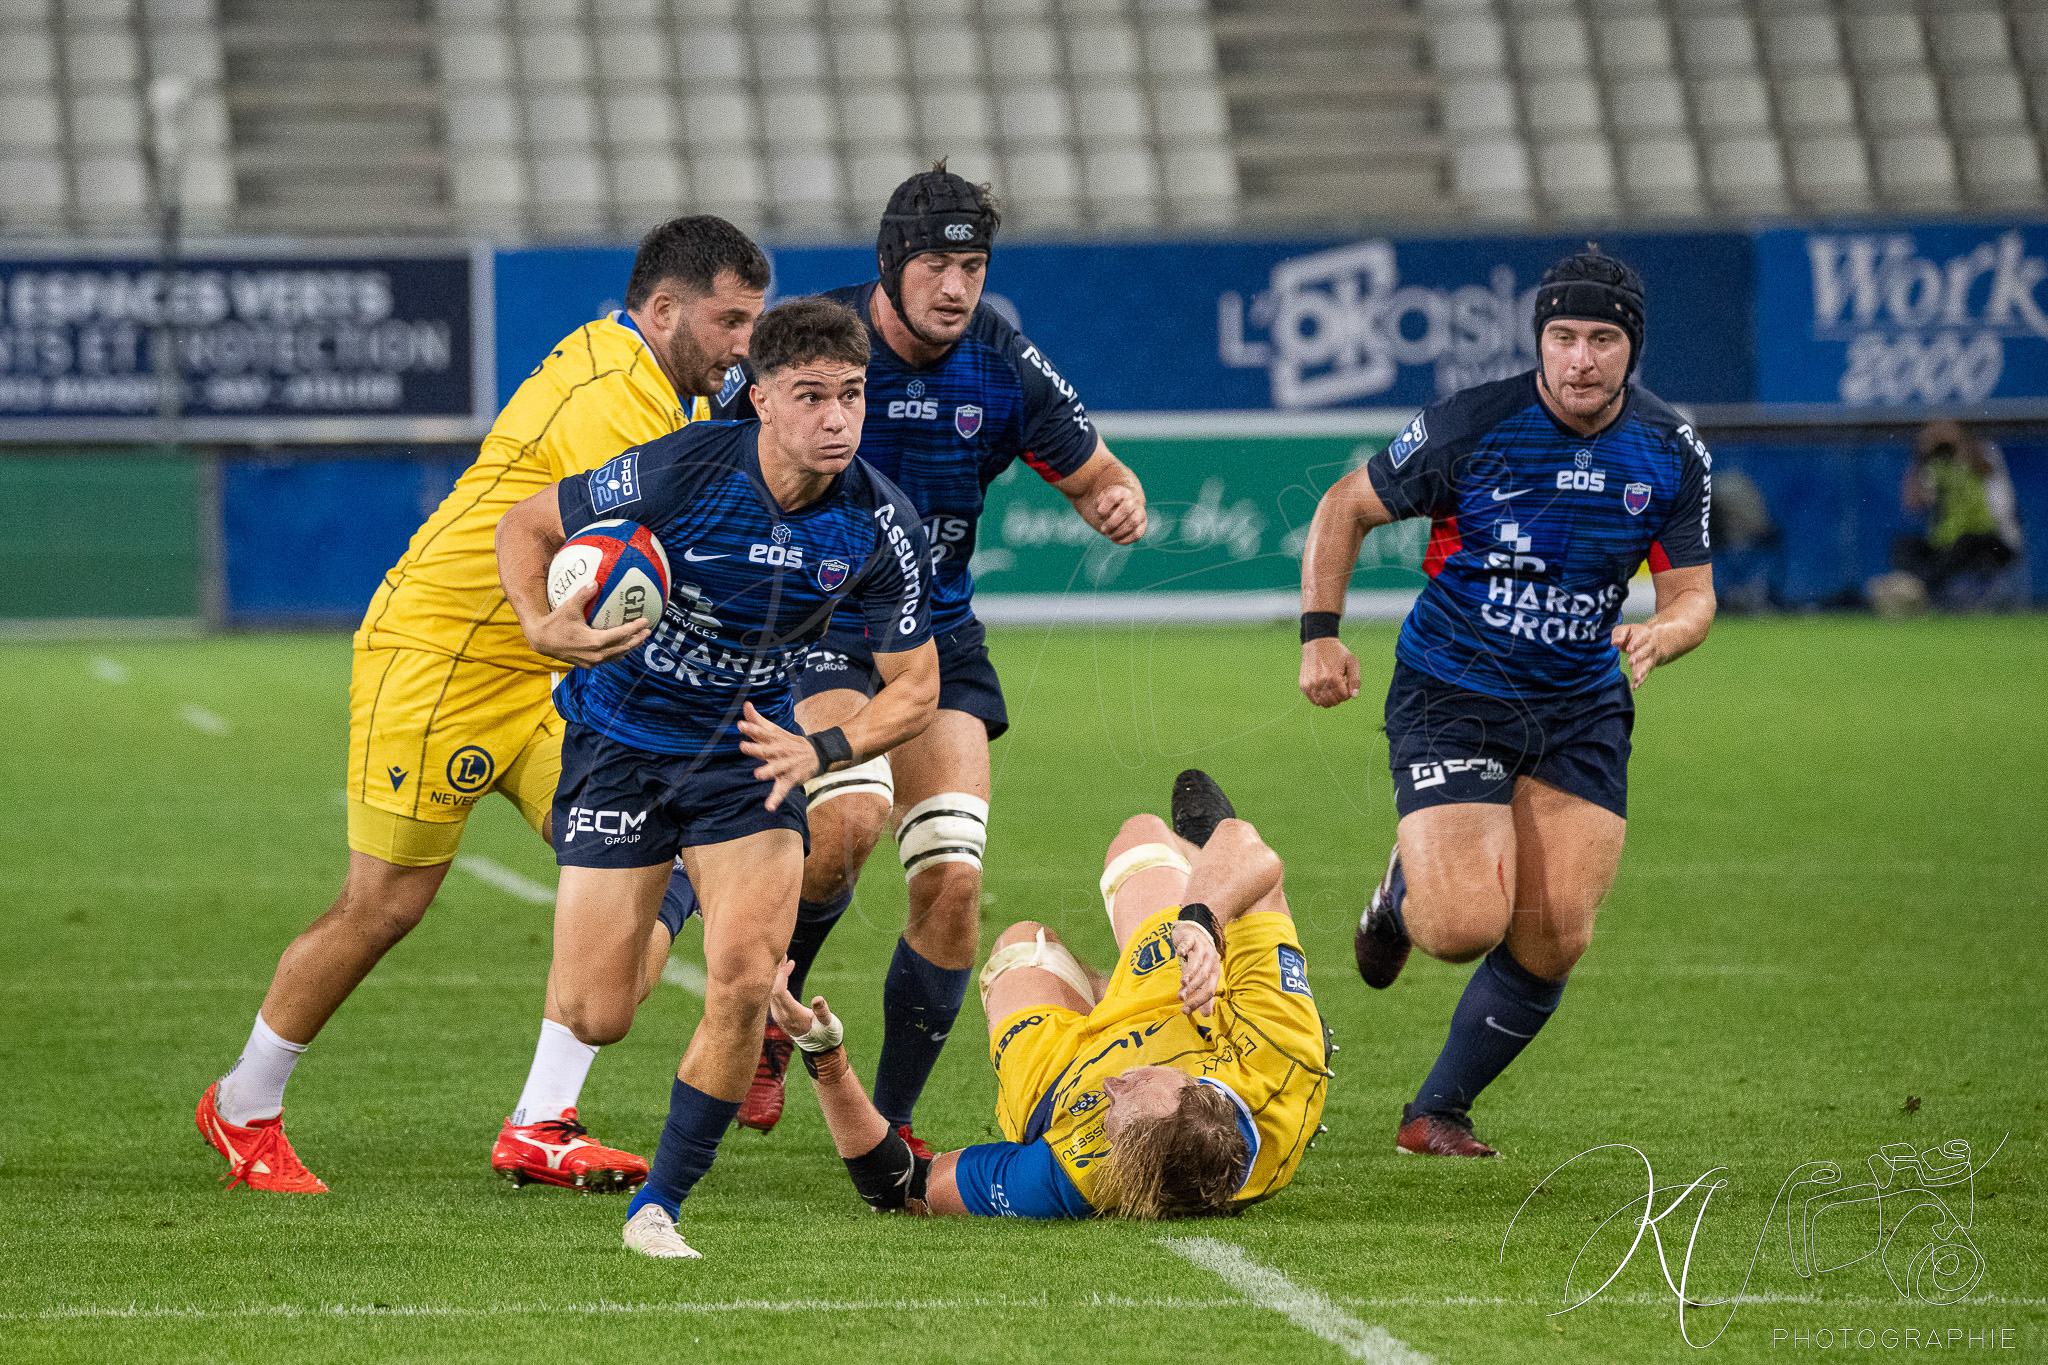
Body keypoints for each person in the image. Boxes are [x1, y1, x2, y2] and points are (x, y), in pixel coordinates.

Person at [195, 217, 770, 1194]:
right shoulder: (614, 409)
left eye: (753, 324)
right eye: (729, 322)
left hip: (541, 671)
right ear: (663, 310)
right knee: (385, 904)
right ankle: (243, 1105)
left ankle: (541, 1122)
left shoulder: (640, 375)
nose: (742, 345)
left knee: (638, 862)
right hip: (441, 656)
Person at [698, 161, 1149, 1153]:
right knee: (848, 823)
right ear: (890, 267)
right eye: (937, 265)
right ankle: (780, 1013)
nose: (955, 287)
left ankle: (888, 1126)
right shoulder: (812, 345)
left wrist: (1114, 499)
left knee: (949, 890)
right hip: (811, 628)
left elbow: (1096, 470)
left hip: (935, 636)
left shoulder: (999, 360)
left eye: (972, 266)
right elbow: (701, 462)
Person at [495, 297, 940, 1260]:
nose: (836, 417)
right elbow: (527, 524)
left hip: (748, 758)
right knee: (596, 1011)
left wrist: (824, 750)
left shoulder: (878, 521)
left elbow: (916, 690)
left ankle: (659, 1206)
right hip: (621, 746)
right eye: (811, 395)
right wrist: (541, 623)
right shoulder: (685, 468)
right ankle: (682, 885)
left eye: (853, 396)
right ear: (764, 401)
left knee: (743, 981)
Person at [1298, 248, 1715, 1157]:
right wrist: (1319, 633)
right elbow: (1344, 507)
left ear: (1629, 347)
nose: (1579, 358)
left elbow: (1693, 596)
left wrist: (1663, 632)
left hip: (1580, 706)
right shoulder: (1475, 423)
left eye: (1602, 338)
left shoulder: (1671, 450)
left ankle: (1436, 1110)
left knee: (1556, 933)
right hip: (1455, 692)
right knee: (1459, 928)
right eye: (1562, 336)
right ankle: (1402, 888)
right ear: (1540, 339)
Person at [765, 770, 1329, 1220]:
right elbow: (1245, 842)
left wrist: (826, 1055)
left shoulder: (1085, 1171)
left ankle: (1108, 988)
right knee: (1143, 835)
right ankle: (1197, 901)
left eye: (1112, 1107)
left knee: (1019, 945)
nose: (1114, 1080)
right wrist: (1203, 921)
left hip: (1056, 1079)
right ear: (1200, 1083)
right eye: (1134, 1082)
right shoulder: (1280, 1050)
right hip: (1185, 1001)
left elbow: (900, 1186)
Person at [1883, 419, 2026, 611]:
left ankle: (1921, 596)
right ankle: (1913, 593)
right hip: (1947, 544)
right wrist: (1921, 457)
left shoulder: (1983, 452)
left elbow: (1998, 505)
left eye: (1944, 428)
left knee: (1965, 544)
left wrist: (1961, 450)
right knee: (1904, 546)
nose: (1940, 436)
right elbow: (1912, 505)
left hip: (1992, 539)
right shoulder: (1934, 463)